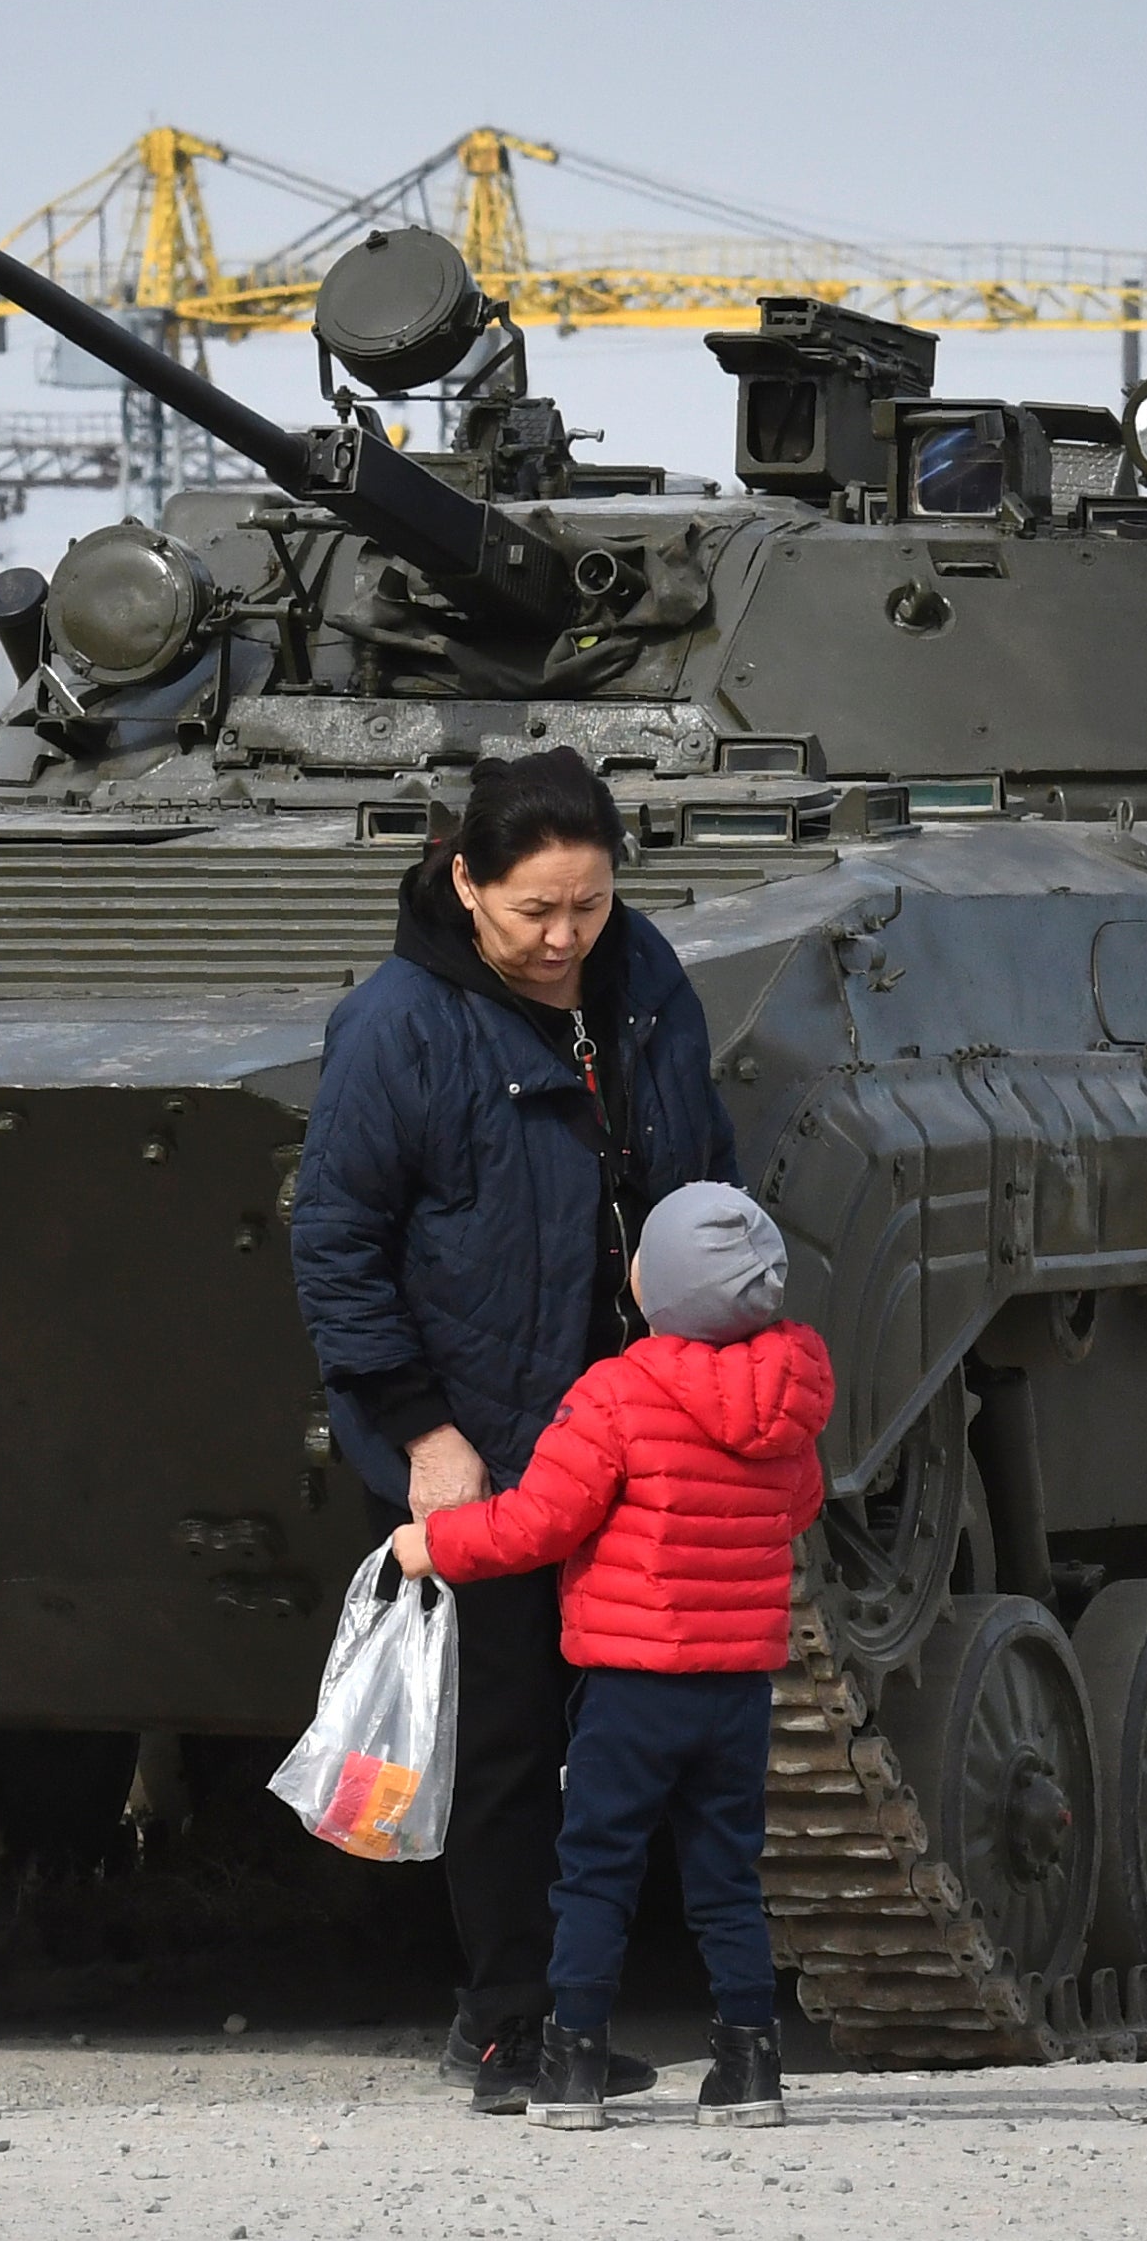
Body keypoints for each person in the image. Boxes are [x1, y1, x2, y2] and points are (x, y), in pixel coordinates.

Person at [289, 746, 740, 2109]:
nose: (562, 938)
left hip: (635, 1424)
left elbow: (700, 1176)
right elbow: (338, 1244)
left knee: (625, 1737)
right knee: (503, 1740)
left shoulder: (641, 981)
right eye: (534, 908)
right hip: (477, 1441)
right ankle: (510, 2026)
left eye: (588, 905)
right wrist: (421, 1430)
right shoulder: (401, 1024)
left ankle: (593, 2005)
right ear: (464, 879)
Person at [391, 1182, 828, 2129]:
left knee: (594, 1870)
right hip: (738, 1689)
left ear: (653, 1287)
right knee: (724, 1875)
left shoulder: (618, 1392)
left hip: (631, 1687)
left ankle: (574, 2064)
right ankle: (750, 2067)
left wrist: (441, 1544)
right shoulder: (790, 1401)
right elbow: (798, 1508)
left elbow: (543, 1521)